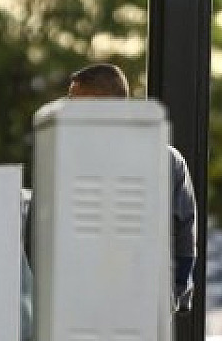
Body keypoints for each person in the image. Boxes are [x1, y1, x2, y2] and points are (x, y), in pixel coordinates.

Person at [66, 63, 199, 312]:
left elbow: (184, 234)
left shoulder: (67, 159)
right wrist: (174, 294)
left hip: (97, 304)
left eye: (75, 101)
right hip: (137, 304)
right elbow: (185, 234)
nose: (67, 109)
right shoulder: (168, 158)